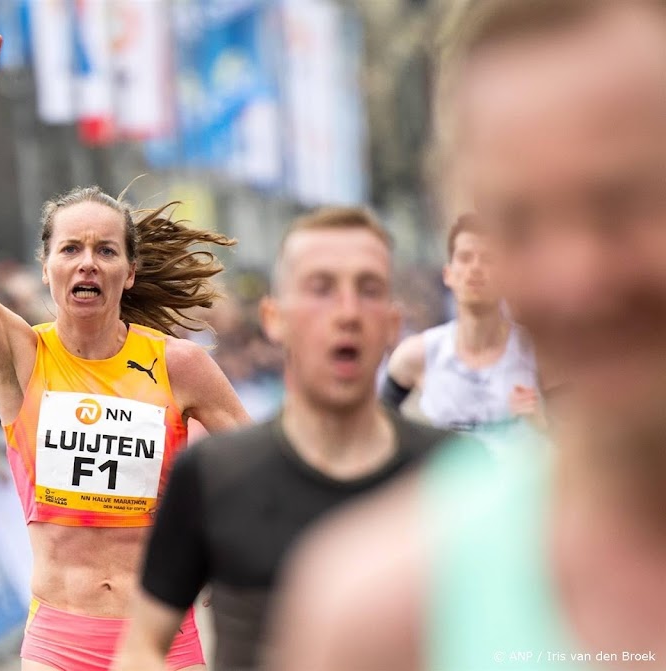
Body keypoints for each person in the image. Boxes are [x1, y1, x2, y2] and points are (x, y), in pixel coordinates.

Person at [268, 1, 666, 669]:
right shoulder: (385, 612)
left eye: (622, 203)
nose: (576, 280)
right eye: (517, 222)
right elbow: (377, 419)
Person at [0, 28, 250, 671]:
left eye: (105, 250)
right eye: (70, 249)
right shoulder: (20, 357)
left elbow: (258, 472)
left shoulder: (179, 367)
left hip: (160, 644)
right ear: (46, 269)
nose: (86, 263)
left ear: (128, 271)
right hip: (59, 646)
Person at [114, 208, 455, 671]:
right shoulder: (212, 474)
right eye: (321, 288)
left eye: (369, 288)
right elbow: (142, 648)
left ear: (394, 322)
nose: (347, 312)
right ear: (275, 318)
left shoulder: (456, 472)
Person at [383, 214, 539, 433]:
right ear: (448, 274)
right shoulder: (418, 355)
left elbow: (584, 439)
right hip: (443, 467)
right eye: (465, 258)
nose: (475, 268)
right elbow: (375, 427)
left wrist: (544, 422)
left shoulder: (538, 353)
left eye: (488, 259)